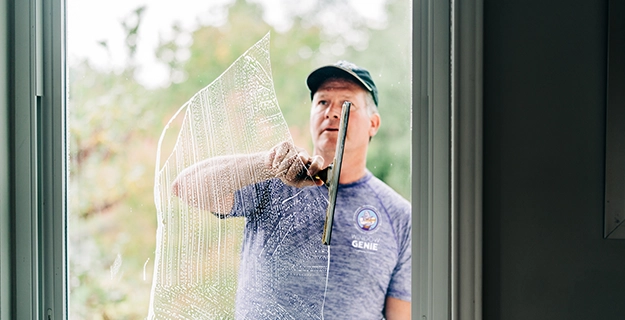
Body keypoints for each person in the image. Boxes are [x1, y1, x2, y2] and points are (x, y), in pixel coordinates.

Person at [172, 60, 411, 319]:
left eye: (346, 104)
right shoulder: (275, 181)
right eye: (322, 102)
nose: (331, 112)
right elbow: (185, 186)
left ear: (373, 124)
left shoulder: (399, 216)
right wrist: (266, 164)